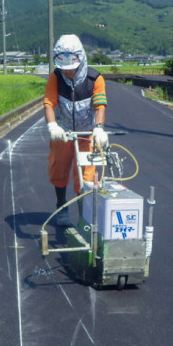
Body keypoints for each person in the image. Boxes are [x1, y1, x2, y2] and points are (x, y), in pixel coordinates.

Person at [44, 34, 108, 226]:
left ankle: (83, 215)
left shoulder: (94, 79)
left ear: (80, 61)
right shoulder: (56, 78)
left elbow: (100, 105)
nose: (68, 73)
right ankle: (61, 205)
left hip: (86, 133)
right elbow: (49, 103)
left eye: (72, 69)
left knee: (87, 176)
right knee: (58, 168)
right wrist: (52, 125)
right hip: (62, 133)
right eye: (64, 69)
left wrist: (99, 128)